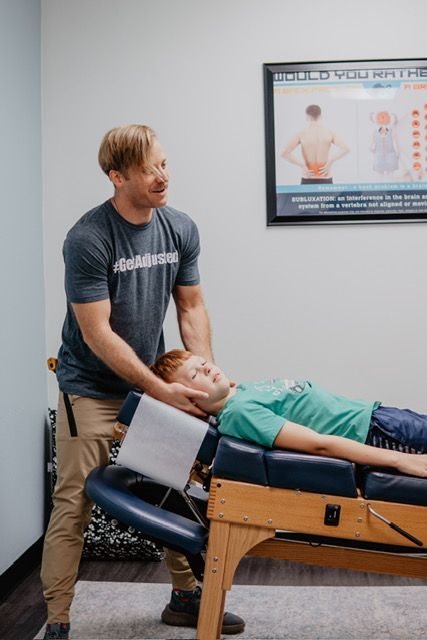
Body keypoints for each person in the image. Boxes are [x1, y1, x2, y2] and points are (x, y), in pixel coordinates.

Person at [40, 125, 244, 640]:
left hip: (152, 384)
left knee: (174, 488)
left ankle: (184, 596)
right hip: (88, 389)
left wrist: (203, 386)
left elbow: (191, 307)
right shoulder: (88, 238)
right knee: (75, 501)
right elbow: (97, 332)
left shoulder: (179, 228)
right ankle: (58, 620)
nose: (163, 176)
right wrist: (160, 391)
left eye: (165, 164)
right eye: (151, 168)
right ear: (117, 176)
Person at [150, 349, 427, 477]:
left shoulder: (241, 393)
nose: (207, 367)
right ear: (186, 398)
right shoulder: (239, 413)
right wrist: (401, 461)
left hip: (379, 417)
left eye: (203, 362)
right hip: (374, 435)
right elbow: (320, 444)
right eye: (195, 373)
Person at [281, 104, 350, 184]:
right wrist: (331, 161)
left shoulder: (301, 134)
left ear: (307, 116)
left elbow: (284, 153)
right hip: (325, 176)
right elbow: (346, 148)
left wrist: (302, 165)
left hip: (308, 176)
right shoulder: (329, 133)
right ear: (320, 116)